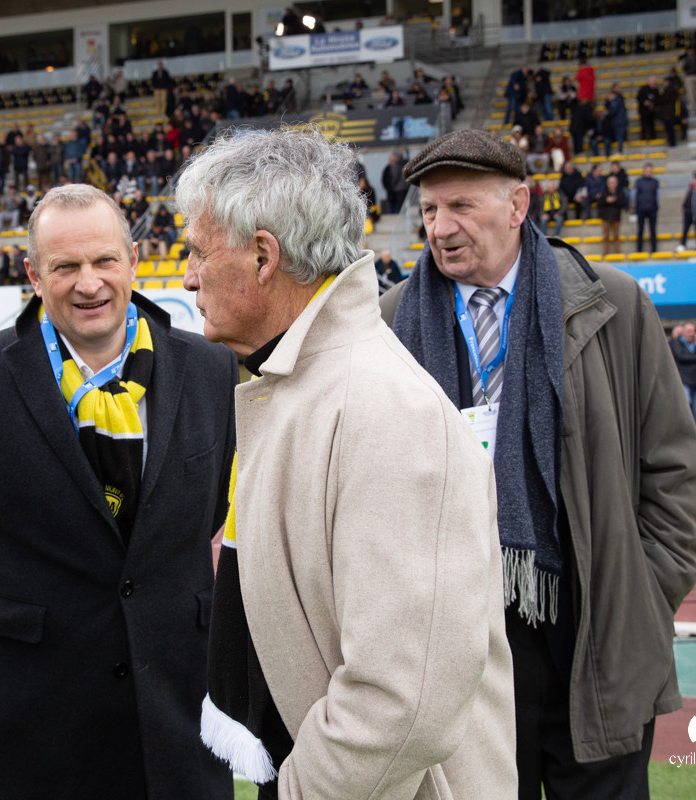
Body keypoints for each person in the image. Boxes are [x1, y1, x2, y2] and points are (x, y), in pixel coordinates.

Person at [179, 127, 515, 799]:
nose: (187, 276)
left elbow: (402, 702)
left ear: (264, 257)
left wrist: (301, 791)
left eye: (197, 251)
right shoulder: (308, 385)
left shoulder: (384, 409)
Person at [380, 129, 696, 800]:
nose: (441, 228)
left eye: (461, 206)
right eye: (431, 210)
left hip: (593, 628)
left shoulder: (611, 302)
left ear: (518, 205)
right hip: (458, 645)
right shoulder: (389, 322)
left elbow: (671, 460)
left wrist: (646, 591)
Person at [0, 183, 237, 800]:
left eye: (104, 261)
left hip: (176, 718)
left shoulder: (211, 369)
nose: (89, 283)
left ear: (134, 260)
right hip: (29, 726)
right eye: (65, 266)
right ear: (34, 275)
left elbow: (205, 517)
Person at [671, 322, 696, 425]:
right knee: (686, 406)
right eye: (689, 331)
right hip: (684, 380)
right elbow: (681, 357)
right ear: (683, 332)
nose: (691, 334)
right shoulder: (676, 343)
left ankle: (694, 431)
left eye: (693, 331)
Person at [632, 163, 661, 253]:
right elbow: (634, 195)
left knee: (653, 230)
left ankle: (654, 249)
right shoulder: (638, 182)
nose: (649, 172)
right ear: (644, 171)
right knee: (640, 230)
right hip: (641, 208)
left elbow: (657, 195)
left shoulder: (655, 182)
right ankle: (639, 250)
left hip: (652, 209)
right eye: (647, 170)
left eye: (650, 171)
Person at [598, 175, 627, 256]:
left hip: (616, 217)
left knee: (616, 236)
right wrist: (606, 200)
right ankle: (606, 252)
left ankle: (617, 253)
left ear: (616, 183)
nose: (612, 184)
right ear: (607, 184)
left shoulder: (620, 193)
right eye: (610, 183)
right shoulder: (603, 193)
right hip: (605, 218)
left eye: (613, 183)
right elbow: (599, 204)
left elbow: (623, 204)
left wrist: (615, 200)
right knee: (606, 236)